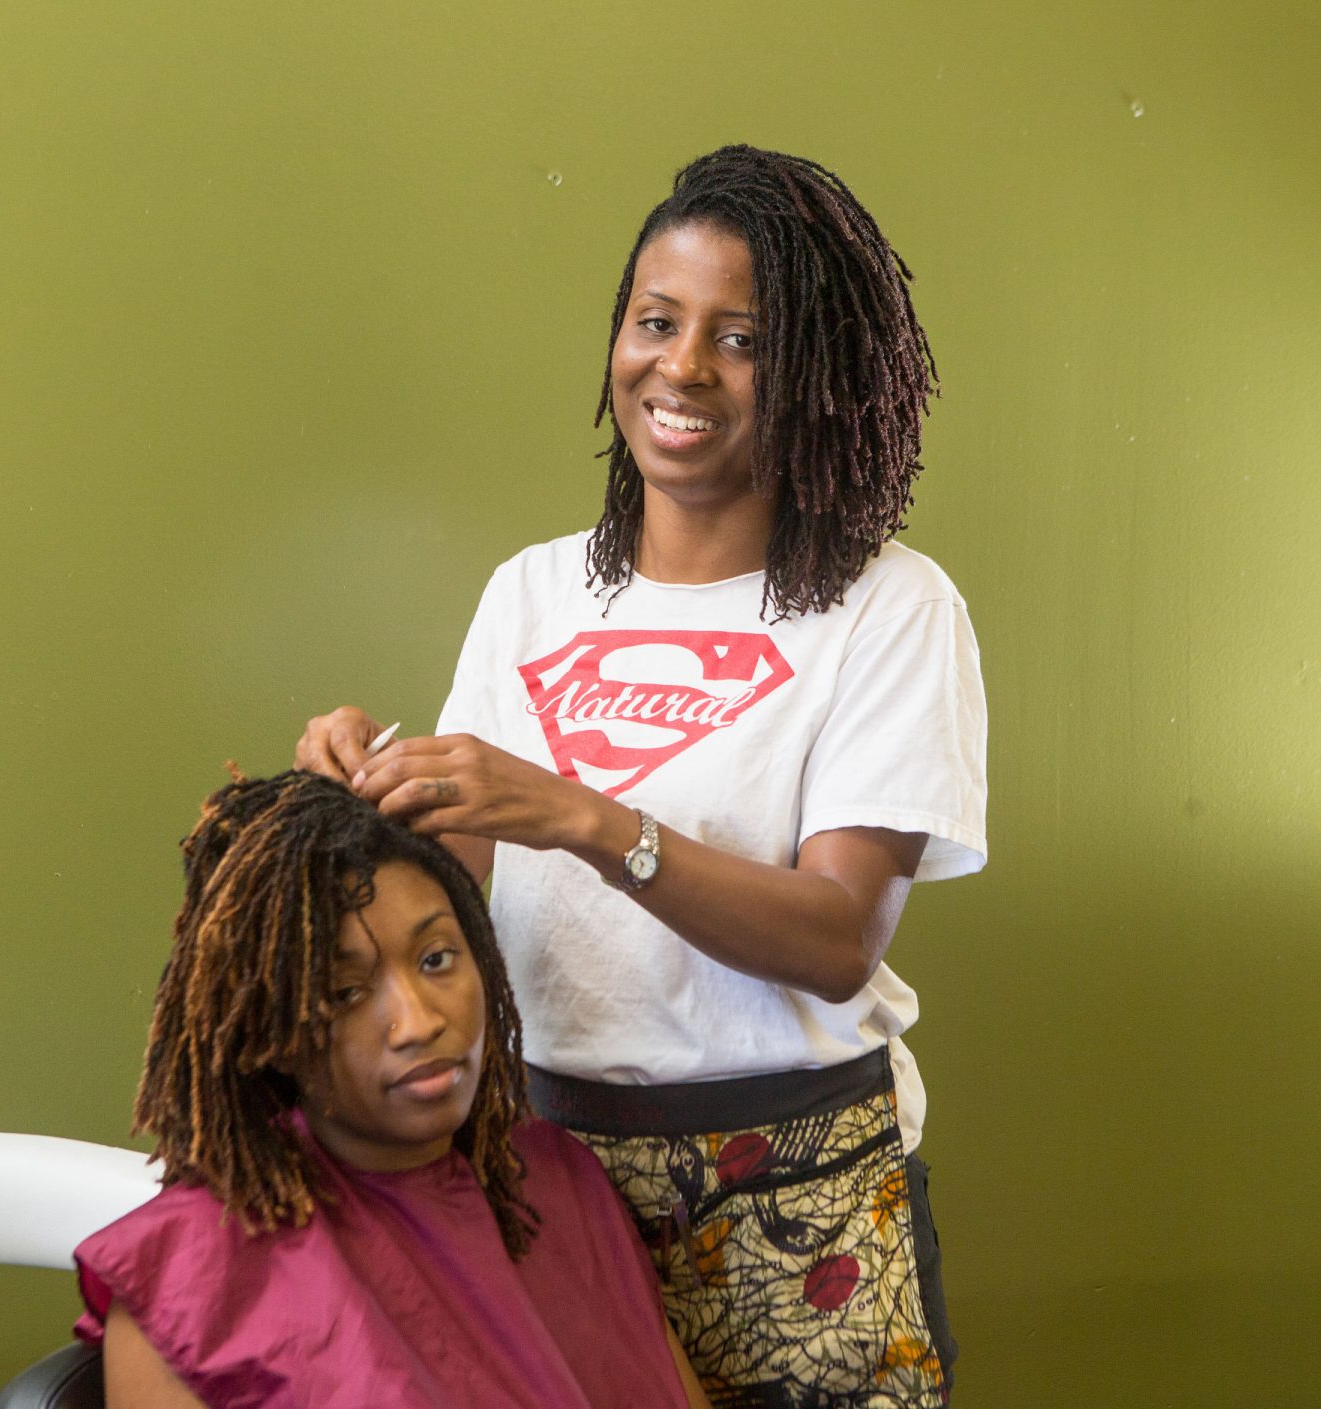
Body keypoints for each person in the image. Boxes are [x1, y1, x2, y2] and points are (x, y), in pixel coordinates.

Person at [296, 144, 986, 1406]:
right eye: (657, 321)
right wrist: (359, 795)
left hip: (804, 1190)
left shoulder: (890, 607)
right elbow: (453, 883)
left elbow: (839, 935)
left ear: (817, 373)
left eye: (743, 339)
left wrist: (592, 818)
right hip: (548, 1174)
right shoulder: (537, 592)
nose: (682, 366)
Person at [73, 769, 711, 1409]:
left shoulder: (556, 1180)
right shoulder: (192, 1277)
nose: (420, 1022)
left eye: (436, 959)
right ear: (272, 1030)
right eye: (344, 993)